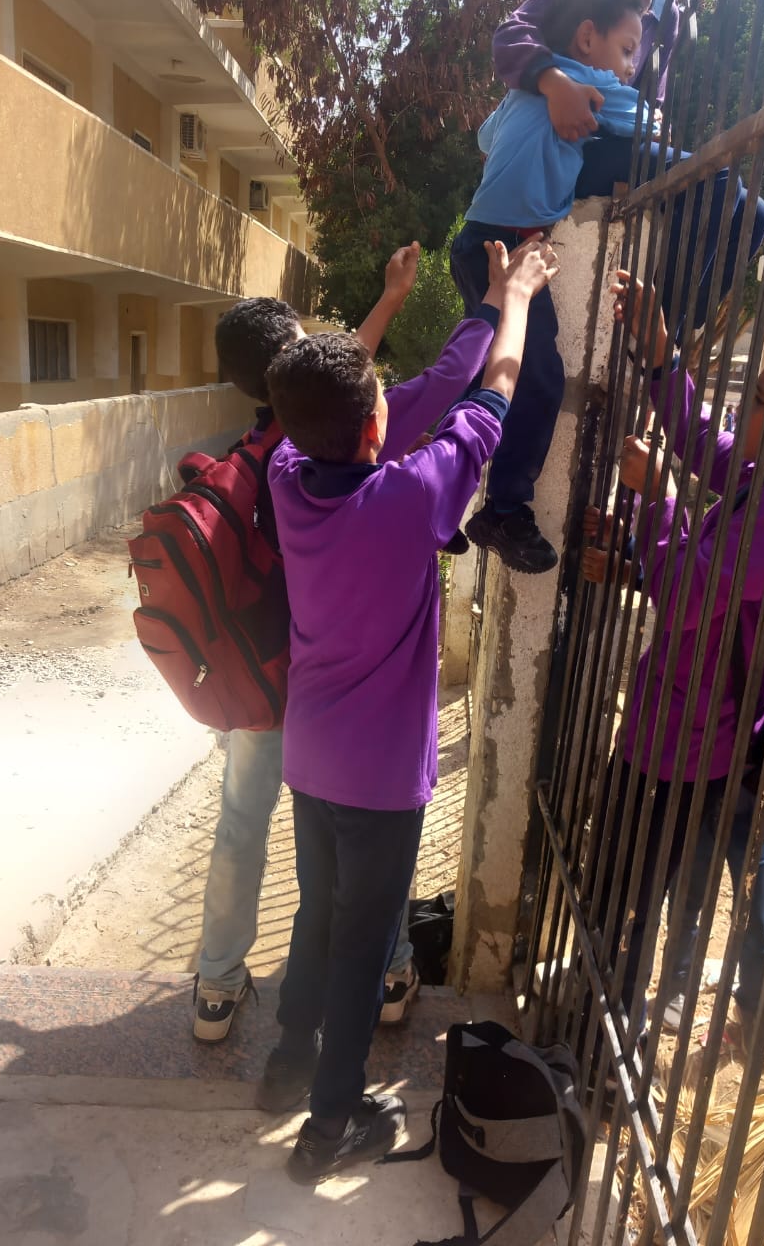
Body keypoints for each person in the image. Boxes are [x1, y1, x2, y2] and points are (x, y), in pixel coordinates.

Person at [259, 236, 558, 1184]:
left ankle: (286, 1062)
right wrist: (518, 298)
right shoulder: (412, 498)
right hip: (382, 779)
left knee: (317, 914)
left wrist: (405, 306)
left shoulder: (285, 474)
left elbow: (378, 391)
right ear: (375, 428)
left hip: (309, 758)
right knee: (360, 946)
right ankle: (328, 1126)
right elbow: (494, 389)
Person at [587, 269, 764, 1058]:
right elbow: (706, 445)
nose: (741, 409)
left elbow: (683, 596)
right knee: (640, 888)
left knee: (627, 900)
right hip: (692, 722)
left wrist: (655, 500)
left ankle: (607, 1046)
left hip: (685, 739)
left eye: (759, 400)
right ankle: (608, 1014)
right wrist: (659, 354)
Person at [192, 247, 426, 1044]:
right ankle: (390, 973)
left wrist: (389, 297)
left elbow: (342, 362)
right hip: (328, 675)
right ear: (288, 361)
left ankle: (216, 986)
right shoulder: (302, 448)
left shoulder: (250, 450)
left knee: (242, 822)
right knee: (373, 822)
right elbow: (348, 368)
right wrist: (391, 301)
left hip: (257, 673)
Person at [451, 0, 653, 575]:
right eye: (627, 49)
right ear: (587, 39)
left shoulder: (526, 88)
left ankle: (440, 490)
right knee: (537, 376)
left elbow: (486, 137)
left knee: (478, 370)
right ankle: (504, 509)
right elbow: (652, 128)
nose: (632, 67)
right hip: (507, 248)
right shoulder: (595, 87)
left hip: (476, 241)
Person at [492, 0, 764, 338]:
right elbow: (511, 34)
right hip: (566, 144)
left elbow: (650, 104)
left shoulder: (669, 17)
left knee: (755, 213)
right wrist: (554, 83)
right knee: (718, 180)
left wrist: (657, 125)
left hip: (616, 142)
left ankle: (671, 331)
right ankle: (649, 337)